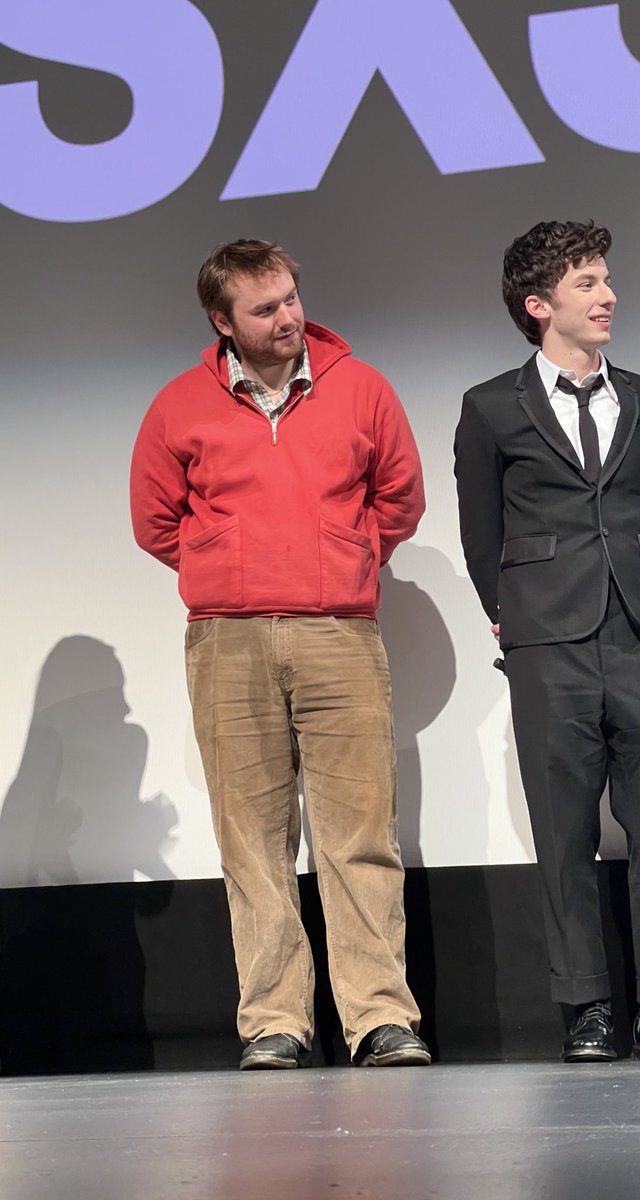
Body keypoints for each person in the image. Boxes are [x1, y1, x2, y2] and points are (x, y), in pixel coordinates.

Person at [454, 220, 640, 1062]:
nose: (608, 295)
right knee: (564, 829)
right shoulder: (489, 407)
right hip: (547, 641)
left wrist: (625, 583)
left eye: (606, 279)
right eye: (587, 282)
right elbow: (483, 537)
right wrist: (515, 615)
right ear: (538, 304)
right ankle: (586, 1006)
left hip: (638, 629)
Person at [130, 239, 430, 1070]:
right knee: (252, 841)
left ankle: (379, 1017)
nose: (289, 317)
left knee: (359, 833)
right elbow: (156, 522)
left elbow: (399, 498)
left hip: (338, 632)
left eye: (292, 298)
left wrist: (344, 551)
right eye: (266, 308)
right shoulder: (178, 405)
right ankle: (275, 1021)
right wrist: (222, 561)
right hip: (226, 640)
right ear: (223, 321)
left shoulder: (360, 387)